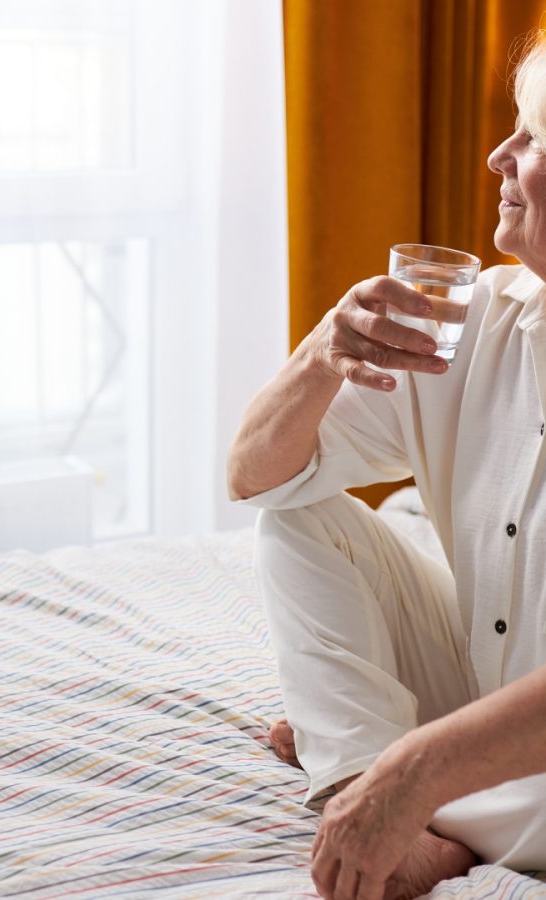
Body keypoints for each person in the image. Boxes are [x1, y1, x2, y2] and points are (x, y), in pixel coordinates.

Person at [227, 32, 546, 900]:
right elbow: (258, 477)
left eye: (532, 138)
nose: (497, 156)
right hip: (497, 693)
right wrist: (323, 354)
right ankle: (375, 786)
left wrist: (411, 769)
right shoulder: (480, 319)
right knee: (303, 519)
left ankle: (425, 799)